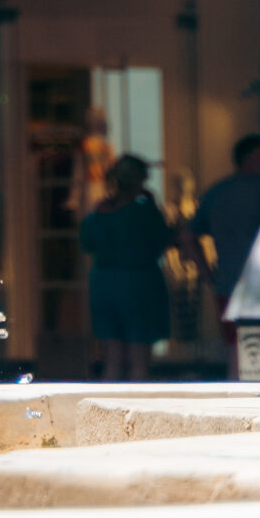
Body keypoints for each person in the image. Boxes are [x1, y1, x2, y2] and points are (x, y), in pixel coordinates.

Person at [80, 153, 171, 382]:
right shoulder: (144, 213)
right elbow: (162, 240)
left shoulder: (96, 216)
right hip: (138, 283)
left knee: (111, 359)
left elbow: (87, 243)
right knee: (139, 360)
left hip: (103, 284)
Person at [195, 134, 260, 377]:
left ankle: (234, 397)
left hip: (226, 282)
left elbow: (187, 236)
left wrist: (207, 274)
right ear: (253, 158)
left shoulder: (216, 192)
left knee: (235, 347)